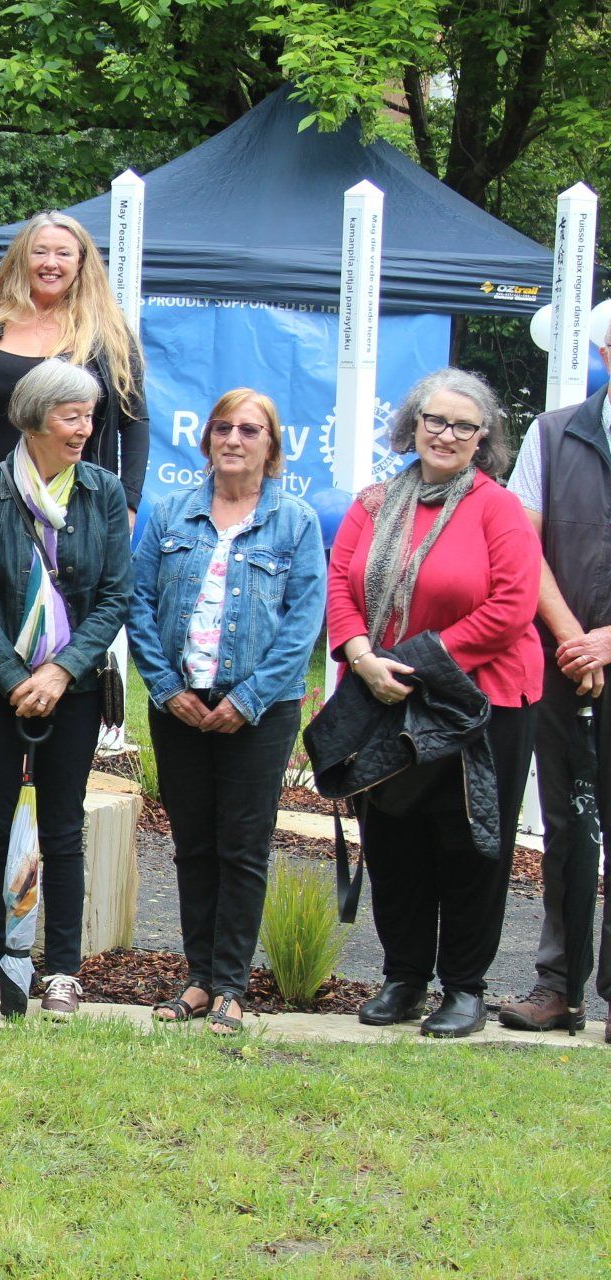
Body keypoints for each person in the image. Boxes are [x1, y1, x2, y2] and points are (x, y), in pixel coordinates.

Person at [328, 368, 541, 1038]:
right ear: (412, 425)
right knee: (394, 839)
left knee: (470, 843)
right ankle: (404, 978)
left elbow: (512, 606)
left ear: (484, 440)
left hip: (482, 704)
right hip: (382, 696)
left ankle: (465, 988)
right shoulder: (372, 504)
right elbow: (341, 586)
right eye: (435, 421)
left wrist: (414, 664)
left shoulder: (496, 507)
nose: (446, 435)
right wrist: (362, 656)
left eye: (464, 426)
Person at [127, 389, 325, 1034]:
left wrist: (248, 699)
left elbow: (303, 625)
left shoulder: (295, 522)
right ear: (207, 439)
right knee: (193, 846)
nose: (234, 439)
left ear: (271, 447)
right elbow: (137, 603)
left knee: (242, 848)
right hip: (180, 705)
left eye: (250, 430)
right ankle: (198, 979)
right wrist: (164, 687)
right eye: (223, 428)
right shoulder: (169, 515)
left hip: (259, 713)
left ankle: (232, 986)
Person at [0, 360, 131, 1018]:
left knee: (62, 827)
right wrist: (13, 678)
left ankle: (62, 971)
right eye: (70, 416)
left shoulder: (103, 493)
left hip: (75, 689)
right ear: (33, 418)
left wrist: (60, 671)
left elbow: (114, 597)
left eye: (89, 416)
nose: (84, 429)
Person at [498, 306, 611, 1037]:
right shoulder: (552, 431)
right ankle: (558, 988)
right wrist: (574, 638)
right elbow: (521, 542)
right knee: (569, 830)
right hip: (564, 668)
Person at [0, 211, 148, 516]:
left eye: (63, 253)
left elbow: (135, 421)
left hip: (77, 514)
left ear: (80, 263)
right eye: (39, 252)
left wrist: (128, 504)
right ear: (21, 260)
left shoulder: (108, 335)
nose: (50, 263)